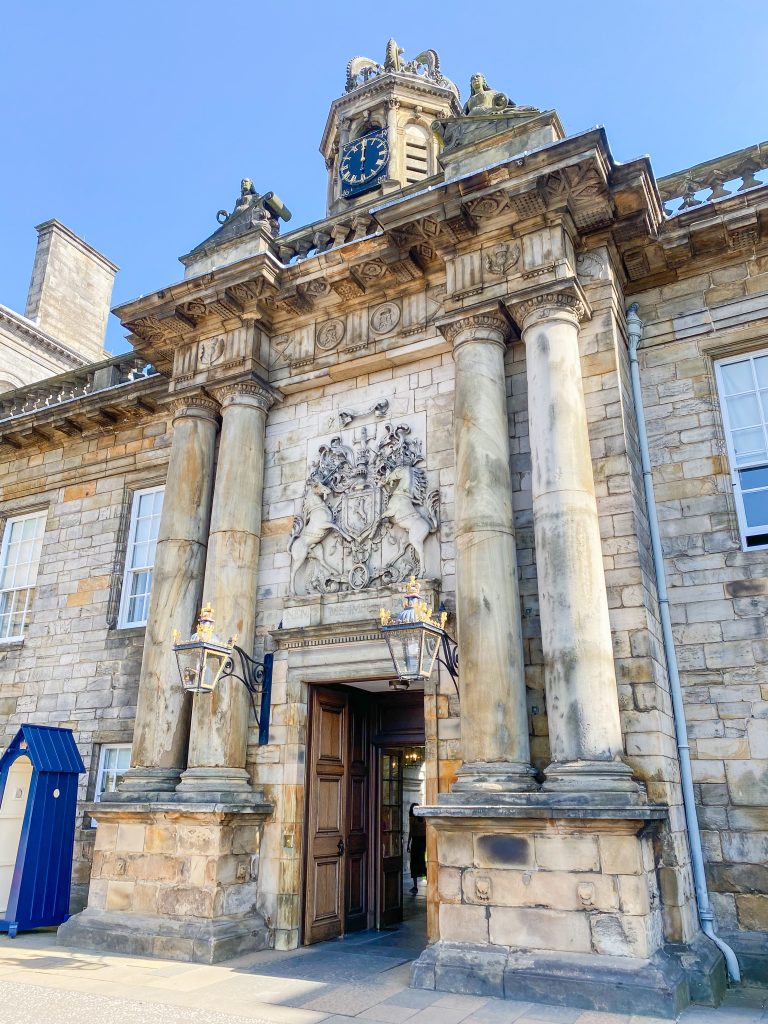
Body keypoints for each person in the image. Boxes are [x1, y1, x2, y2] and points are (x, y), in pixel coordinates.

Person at [407, 803, 427, 895]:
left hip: (416, 841)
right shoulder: (424, 819)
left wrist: (408, 844)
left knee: (414, 863)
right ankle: (430, 882)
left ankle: (415, 886)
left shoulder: (412, 819)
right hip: (423, 841)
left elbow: (411, 832)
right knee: (422, 861)